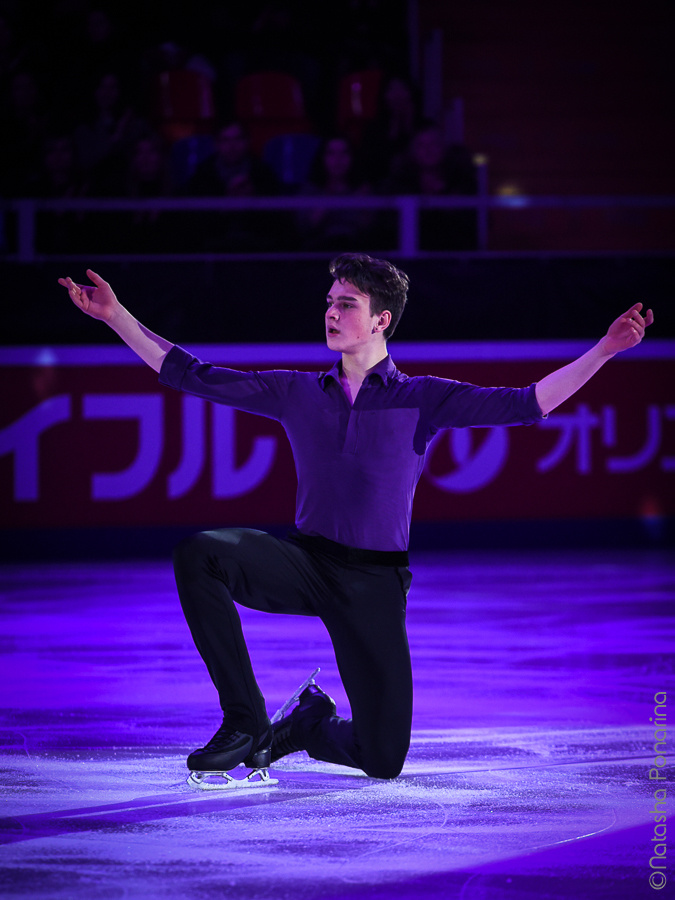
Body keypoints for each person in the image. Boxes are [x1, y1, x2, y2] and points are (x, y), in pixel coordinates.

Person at [58, 256, 653, 780]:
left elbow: (527, 404)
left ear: (381, 320)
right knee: (199, 553)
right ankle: (245, 721)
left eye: (348, 304)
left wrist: (604, 350)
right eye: (329, 302)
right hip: (307, 560)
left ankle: (307, 725)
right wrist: (117, 317)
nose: (331, 313)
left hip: (375, 584)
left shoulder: (425, 396)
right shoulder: (296, 391)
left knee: (383, 758)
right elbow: (192, 373)